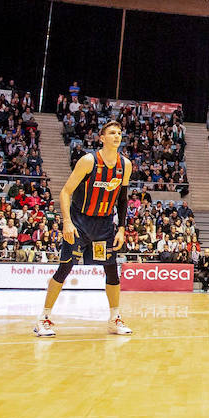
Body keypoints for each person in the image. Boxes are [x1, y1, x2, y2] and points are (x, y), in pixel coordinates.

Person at [33, 121, 133, 336]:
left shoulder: (125, 165)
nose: (117, 136)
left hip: (105, 224)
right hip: (79, 222)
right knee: (65, 267)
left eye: (119, 133)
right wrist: (67, 222)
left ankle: (114, 318)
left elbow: (123, 199)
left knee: (111, 270)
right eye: (112, 133)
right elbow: (65, 192)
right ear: (101, 137)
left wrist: (122, 228)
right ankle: (44, 318)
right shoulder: (88, 161)